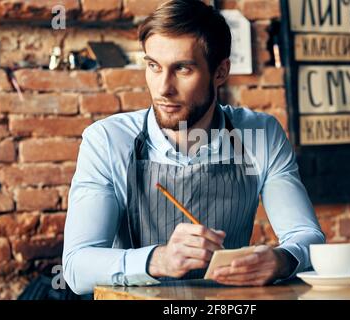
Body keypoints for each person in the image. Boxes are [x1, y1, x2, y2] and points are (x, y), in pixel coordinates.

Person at [62, 0, 325, 295]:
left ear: (220, 72)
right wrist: (158, 260)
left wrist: (282, 259)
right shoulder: (108, 140)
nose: (163, 88)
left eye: (182, 69)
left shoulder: (259, 134)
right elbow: (75, 267)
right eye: (153, 66)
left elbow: (308, 237)